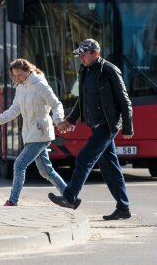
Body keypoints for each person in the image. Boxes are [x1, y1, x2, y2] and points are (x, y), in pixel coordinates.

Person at [49, 38, 134, 220]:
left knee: (84, 158)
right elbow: (83, 99)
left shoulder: (109, 70)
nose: (80, 58)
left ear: (95, 53)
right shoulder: (85, 71)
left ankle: (70, 197)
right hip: (95, 126)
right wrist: (71, 120)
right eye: (79, 55)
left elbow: (125, 101)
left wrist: (127, 128)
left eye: (83, 54)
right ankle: (123, 207)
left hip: (108, 125)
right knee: (110, 168)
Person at [0, 58, 67, 206]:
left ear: (28, 71)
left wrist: (58, 120)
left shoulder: (40, 85)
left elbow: (56, 104)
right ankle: (70, 196)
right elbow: (13, 111)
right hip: (30, 134)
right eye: (14, 76)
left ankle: (12, 201)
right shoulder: (20, 88)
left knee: (19, 165)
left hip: (41, 133)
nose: (17, 78)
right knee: (46, 171)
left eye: (19, 75)